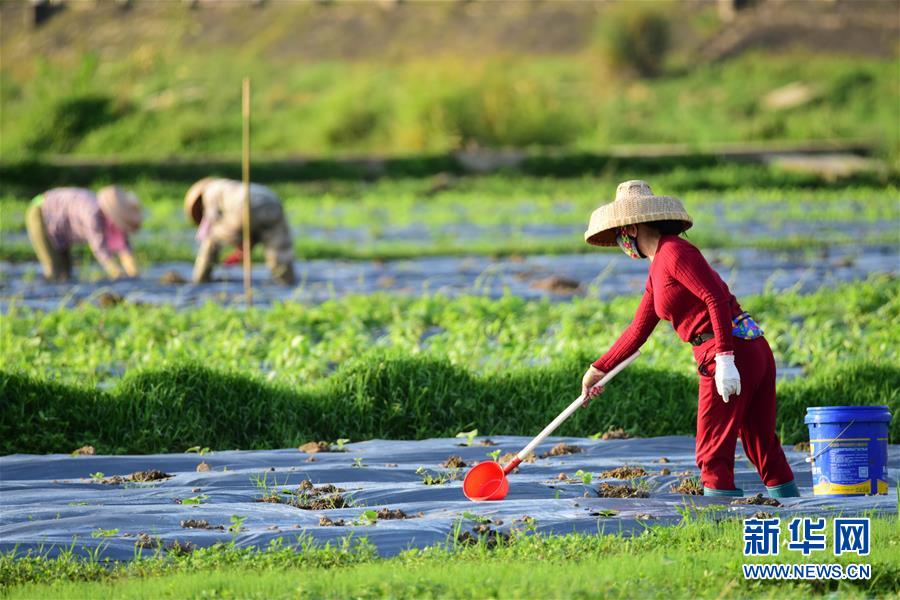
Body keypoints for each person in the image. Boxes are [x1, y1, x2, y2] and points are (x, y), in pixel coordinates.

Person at [581, 180, 799, 498]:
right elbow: (637, 330)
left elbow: (714, 298)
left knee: (712, 452)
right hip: (749, 347)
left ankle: (720, 525)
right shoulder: (658, 269)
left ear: (634, 226)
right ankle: (789, 508)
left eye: (620, 233)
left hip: (728, 349)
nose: (620, 241)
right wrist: (598, 370)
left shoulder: (675, 252)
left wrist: (725, 360)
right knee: (761, 443)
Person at [183, 177, 296, 285]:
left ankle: (201, 277)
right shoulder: (230, 186)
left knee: (212, 239)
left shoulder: (211, 190)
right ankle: (285, 280)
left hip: (243, 206)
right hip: (273, 203)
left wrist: (212, 235)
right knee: (279, 248)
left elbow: (213, 218)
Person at [25, 186, 142, 282]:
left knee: (66, 273)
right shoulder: (93, 214)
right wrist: (117, 273)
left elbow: (125, 249)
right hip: (41, 211)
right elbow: (99, 247)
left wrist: (134, 275)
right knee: (54, 271)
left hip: (62, 229)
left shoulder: (113, 222)